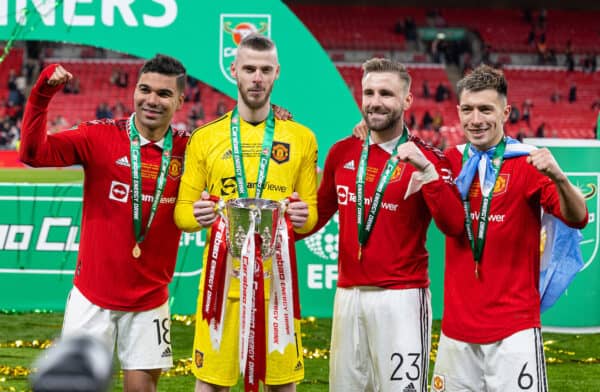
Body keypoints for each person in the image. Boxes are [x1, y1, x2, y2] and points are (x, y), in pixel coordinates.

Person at [19, 54, 190, 391]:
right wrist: (42, 95)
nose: (152, 100)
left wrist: (272, 116)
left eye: (164, 94)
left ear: (181, 100)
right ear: (134, 91)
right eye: (145, 89)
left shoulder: (190, 150)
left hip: (150, 301)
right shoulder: (99, 137)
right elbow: (32, 154)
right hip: (91, 298)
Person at [304, 58, 464, 392]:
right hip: (348, 296)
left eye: (386, 94)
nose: (376, 101)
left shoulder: (428, 157)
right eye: (369, 92)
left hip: (402, 298)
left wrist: (429, 174)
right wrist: (270, 229)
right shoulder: (342, 152)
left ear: (406, 101)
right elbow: (316, 216)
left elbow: (453, 224)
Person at [173, 34, 318, 392]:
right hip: (221, 284)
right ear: (234, 70)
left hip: (277, 288)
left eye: (265, 70)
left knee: (282, 386)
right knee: (210, 384)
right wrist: (200, 215)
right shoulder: (204, 138)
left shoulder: (302, 138)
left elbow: (310, 214)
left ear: (277, 73)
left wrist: (303, 217)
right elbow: (182, 214)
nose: (257, 77)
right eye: (250, 69)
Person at [431, 65, 587, 392]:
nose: (476, 119)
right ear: (458, 111)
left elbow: (578, 217)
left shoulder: (527, 162)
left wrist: (560, 177)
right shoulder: (449, 160)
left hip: (513, 329)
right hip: (457, 331)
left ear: (506, 111)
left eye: (486, 109)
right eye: (468, 110)